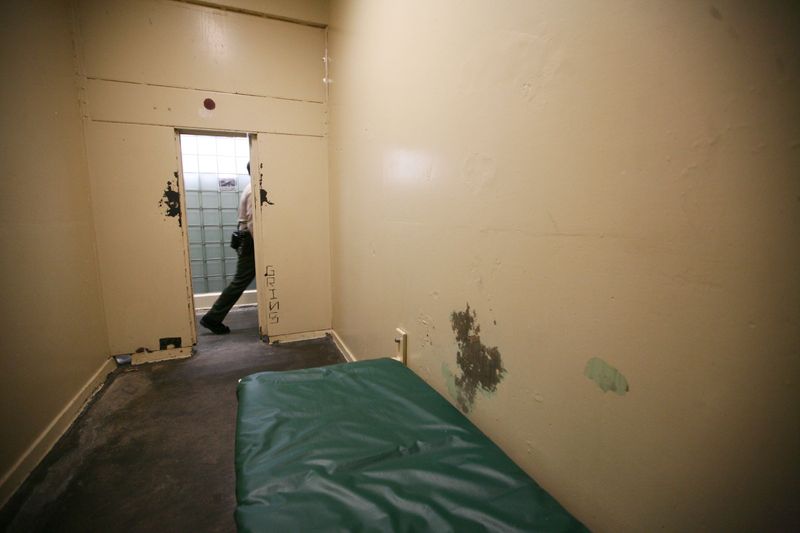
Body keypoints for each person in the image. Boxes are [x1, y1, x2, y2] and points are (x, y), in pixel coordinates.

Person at [199, 164, 255, 334]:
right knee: (240, 281)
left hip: (247, 238)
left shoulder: (250, 187)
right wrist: (263, 245)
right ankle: (212, 317)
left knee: (240, 280)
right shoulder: (254, 190)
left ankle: (213, 317)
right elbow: (253, 222)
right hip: (252, 240)